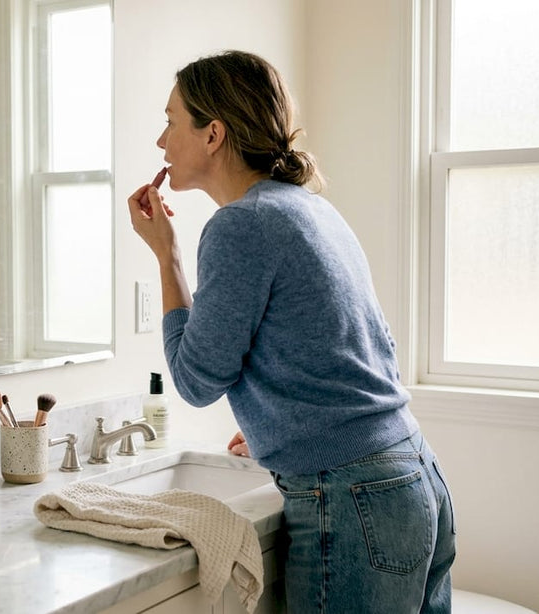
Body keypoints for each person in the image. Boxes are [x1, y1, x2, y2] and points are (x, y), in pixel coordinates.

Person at [128, 51, 455, 613]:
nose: (161, 142)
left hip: (355, 499)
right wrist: (288, 430)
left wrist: (166, 258)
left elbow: (196, 380)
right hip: (411, 476)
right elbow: (351, 350)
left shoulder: (241, 226)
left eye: (171, 121)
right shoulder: (308, 208)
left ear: (213, 134)